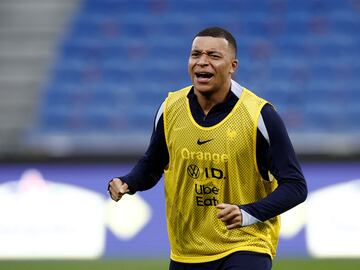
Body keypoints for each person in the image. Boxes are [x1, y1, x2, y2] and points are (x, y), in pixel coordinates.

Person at [108, 26, 307, 270]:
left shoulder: (259, 116)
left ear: (233, 66)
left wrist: (247, 213)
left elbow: (296, 186)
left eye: (214, 56)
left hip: (246, 244)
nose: (202, 62)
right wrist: (128, 182)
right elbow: (153, 164)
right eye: (196, 55)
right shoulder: (170, 108)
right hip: (186, 251)